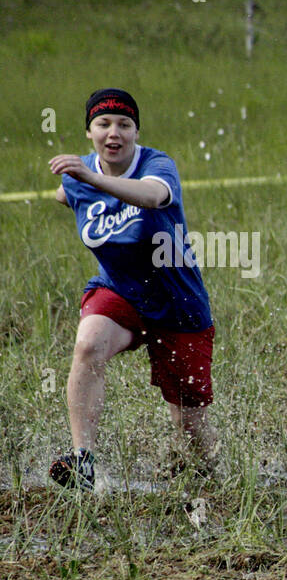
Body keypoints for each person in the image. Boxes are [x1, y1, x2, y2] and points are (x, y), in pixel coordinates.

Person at [48, 88, 217, 492]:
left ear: (136, 131)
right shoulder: (79, 180)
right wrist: (77, 185)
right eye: (103, 124)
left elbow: (153, 195)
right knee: (88, 344)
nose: (114, 132)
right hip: (120, 292)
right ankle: (82, 459)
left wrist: (92, 178)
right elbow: (63, 193)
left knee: (189, 426)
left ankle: (207, 480)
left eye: (124, 124)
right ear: (89, 132)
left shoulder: (157, 165)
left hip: (179, 303)